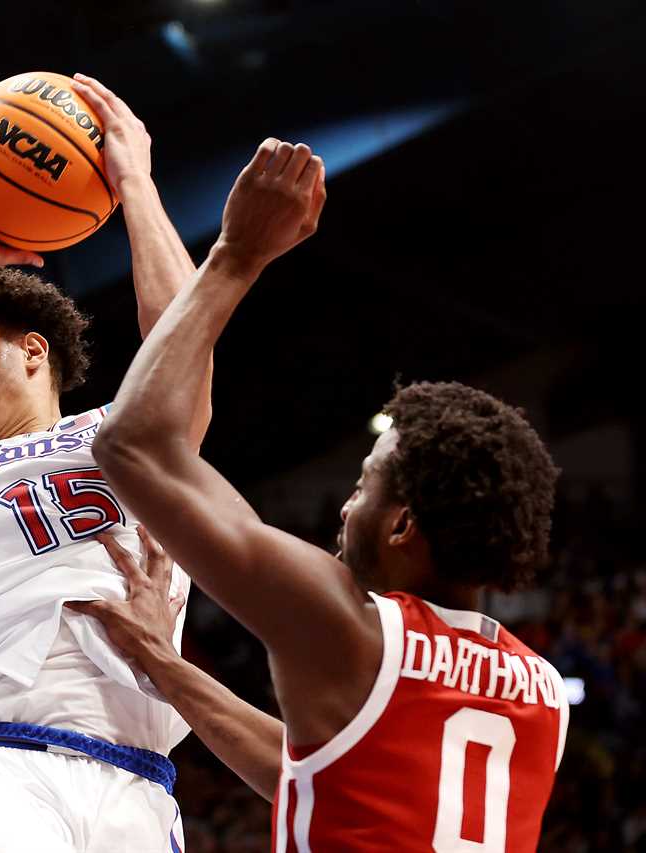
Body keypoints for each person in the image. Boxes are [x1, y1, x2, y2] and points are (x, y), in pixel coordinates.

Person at [0, 72, 306, 852]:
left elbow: (187, 328)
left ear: (32, 349)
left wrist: (133, 181)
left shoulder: (129, 437)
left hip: (140, 785)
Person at [78, 137, 567, 851]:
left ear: (402, 525)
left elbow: (133, 444)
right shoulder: (543, 690)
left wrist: (236, 254)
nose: (345, 506)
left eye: (364, 483)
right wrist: (164, 665)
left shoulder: (353, 627)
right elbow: (317, 776)